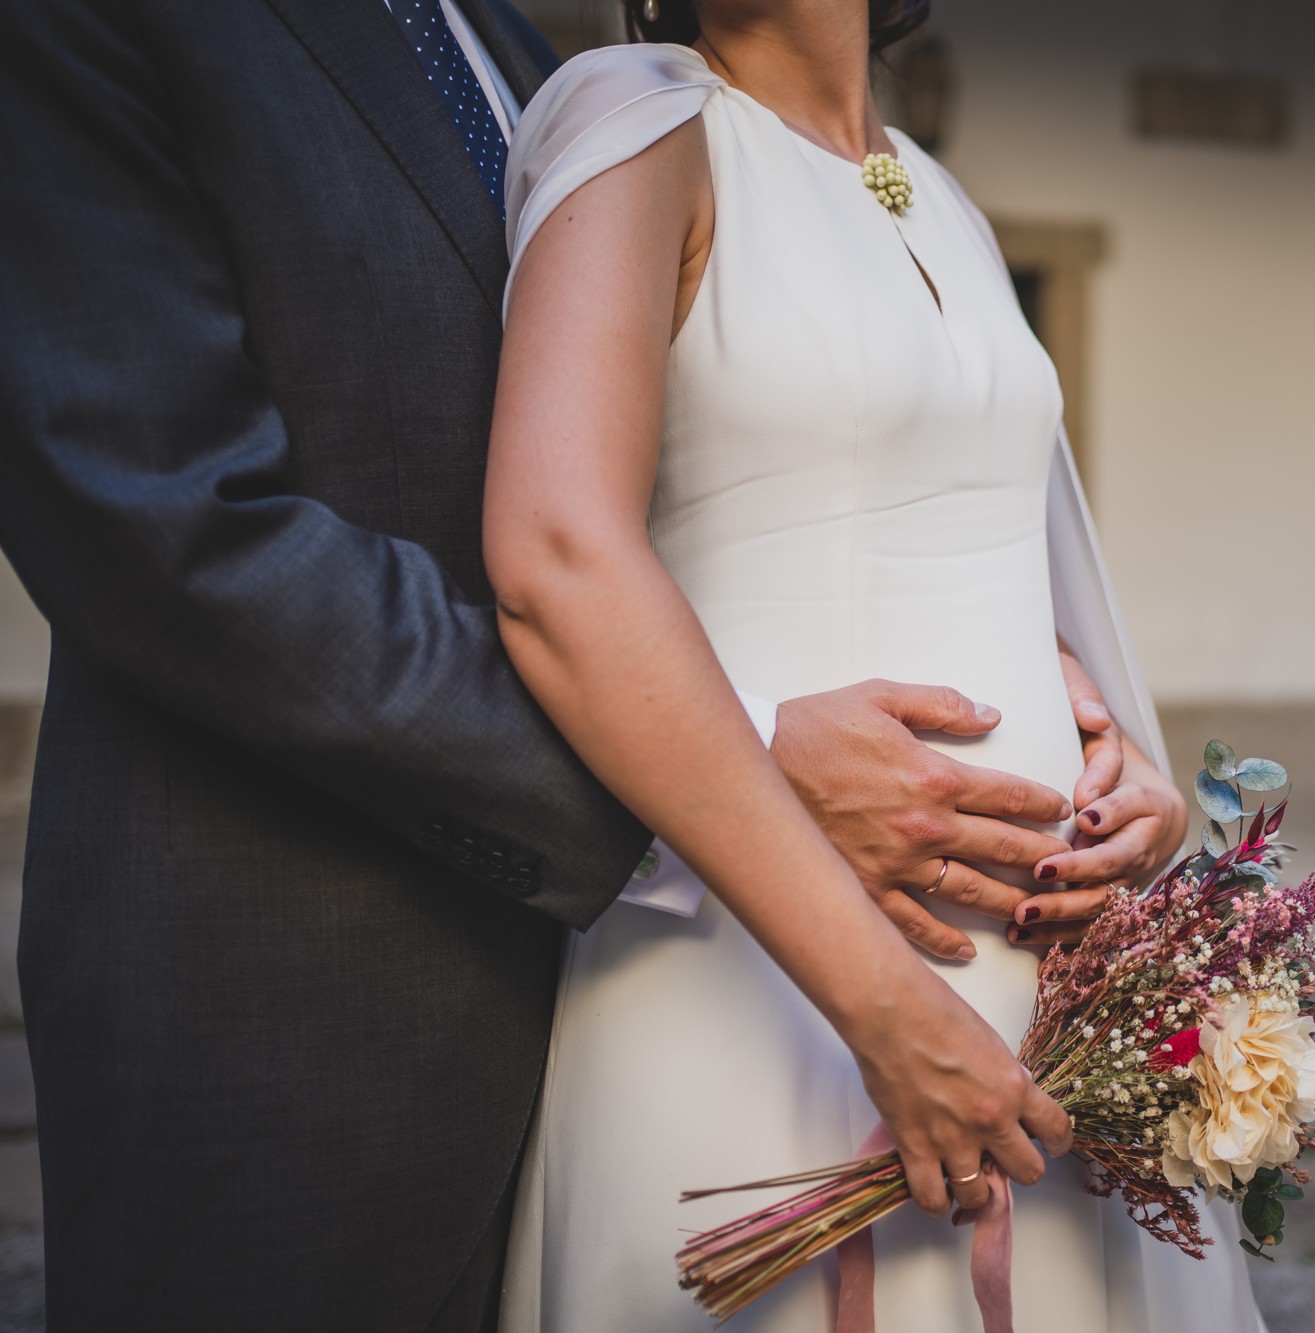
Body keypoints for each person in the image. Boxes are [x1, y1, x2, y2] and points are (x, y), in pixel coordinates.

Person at [0, 0, 1178, 1327]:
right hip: (311, 989)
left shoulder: (518, 55)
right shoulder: (623, 106)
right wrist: (759, 773)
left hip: (741, 961)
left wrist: (1090, 726)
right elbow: (177, 534)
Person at [481, 2, 1264, 1329]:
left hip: (1033, 1002)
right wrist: (886, 1007)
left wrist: (1110, 758)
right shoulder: (639, 118)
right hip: (763, 981)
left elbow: (962, 526)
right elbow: (558, 558)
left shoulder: (924, 186)